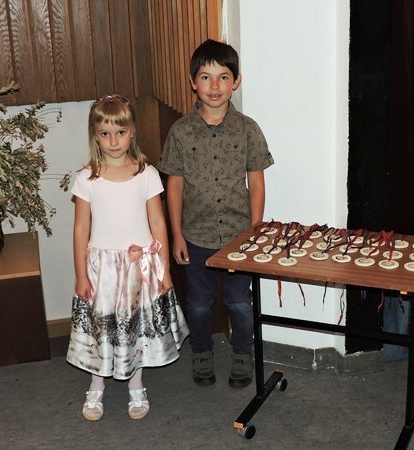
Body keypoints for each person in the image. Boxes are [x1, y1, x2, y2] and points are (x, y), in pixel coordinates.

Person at [158, 39, 273, 389]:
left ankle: (243, 354)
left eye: (223, 77)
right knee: (199, 304)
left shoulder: (248, 128)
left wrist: (255, 232)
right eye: (206, 77)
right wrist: (177, 235)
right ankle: (202, 352)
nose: (214, 86)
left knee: (239, 303)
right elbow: (174, 186)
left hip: (239, 237)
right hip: (196, 237)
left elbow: (257, 182)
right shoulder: (180, 132)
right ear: (193, 82)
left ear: (236, 81)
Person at [67, 94, 189, 421]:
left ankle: (136, 384)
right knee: (102, 326)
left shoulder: (146, 174)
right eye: (105, 134)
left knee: (136, 326)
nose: (113, 141)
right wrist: (81, 274)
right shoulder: (86, 178)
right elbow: (81, 229)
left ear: (132, 132)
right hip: (103, 269)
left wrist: (164, 269)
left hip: (140, 268)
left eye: (120, 132)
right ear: (95, 136)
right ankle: (96, 385)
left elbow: (158, 222)